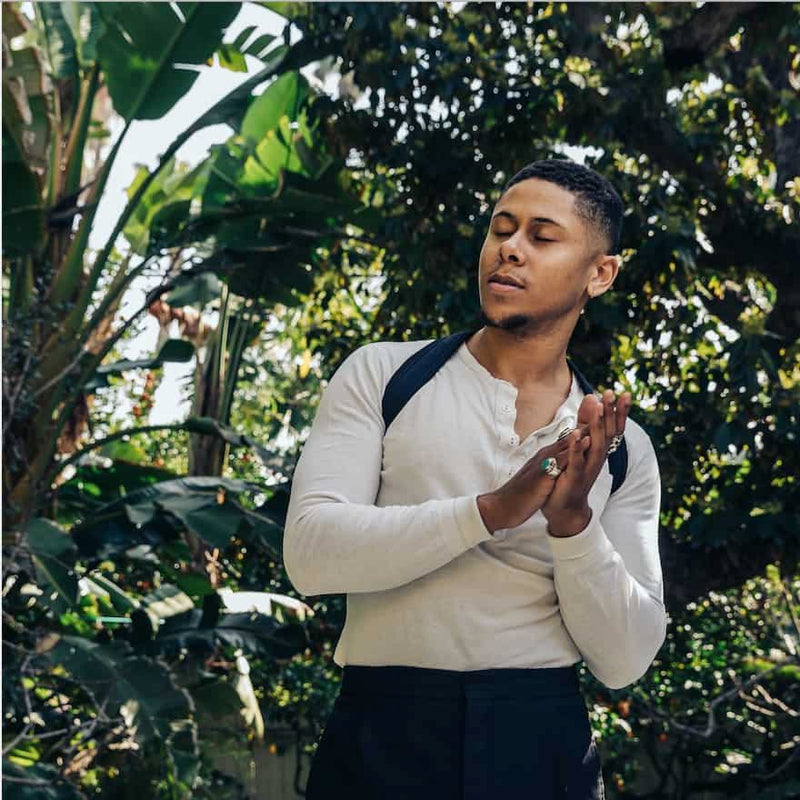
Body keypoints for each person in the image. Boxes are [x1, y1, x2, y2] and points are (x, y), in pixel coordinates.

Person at [283, 158, 667, 799]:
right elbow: (310, 555)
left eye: (542, 236)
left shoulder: (622, 449)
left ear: (600, 274)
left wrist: (573, 527)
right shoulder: (384, 376)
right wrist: (490, 510)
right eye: (501, 229)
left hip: (542, 745)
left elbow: (626, 659)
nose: (509, 249)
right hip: (382, 733)